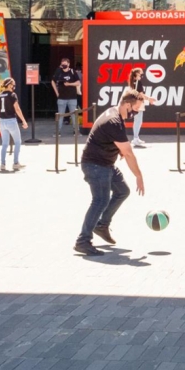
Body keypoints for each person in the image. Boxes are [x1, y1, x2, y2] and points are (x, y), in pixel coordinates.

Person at [76, 90, 146, 256]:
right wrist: (139, 176)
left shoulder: (116, 113)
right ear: (127, 105)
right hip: (96, 165)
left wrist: (118, 151)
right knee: (100, 200)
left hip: (105, 164)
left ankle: (102, 225)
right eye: (135, 109)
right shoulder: (113, 121)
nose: (135, 113)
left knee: (122, 191)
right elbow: (128, 153)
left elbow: (113, 142)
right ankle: (83, 241)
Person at [0, 77, 28, 172]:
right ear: (9, 85)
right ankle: (16, 163)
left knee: (4, 144)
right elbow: (17, 109)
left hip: (2, 121)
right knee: (17, 142)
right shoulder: (13, 95)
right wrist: (24, 121)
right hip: (11, 121)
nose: (14, 86)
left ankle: (2, 164)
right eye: (13, 84)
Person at [52, 58, 81, 134]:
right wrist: (56, 93)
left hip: (72, 97)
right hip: (61, 97)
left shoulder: (72, 71)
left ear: (68, 64)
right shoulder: (59, 72)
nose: (64, 65)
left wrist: (69, 84)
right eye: (62, 64)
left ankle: (76, 131)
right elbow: (53, 81)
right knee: (60, 115)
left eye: (65, 64)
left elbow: (78, 82)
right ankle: (58, 132)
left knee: (74, 115)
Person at [124, 67, 151, 148]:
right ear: (137, 74)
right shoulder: (138, 82)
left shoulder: (134, 82)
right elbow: (141, 94)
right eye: (141, 73)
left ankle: (136, 137)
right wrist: (149, 99)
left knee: (137, 120)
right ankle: (135, 138)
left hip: (135, 103)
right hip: (138, 103)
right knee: (138, 120)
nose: (142, 74)